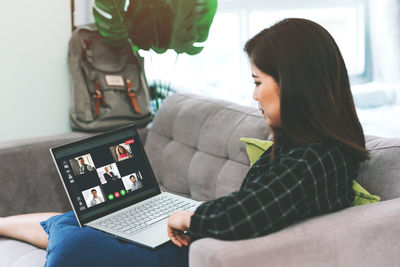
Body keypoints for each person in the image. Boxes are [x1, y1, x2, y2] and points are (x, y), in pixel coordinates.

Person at [0, 18, 369, 266]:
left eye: (258, 82)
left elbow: (247, 214)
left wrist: (188, 216)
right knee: (87, 219)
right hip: (200, 237)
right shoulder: (305, 149)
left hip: (198, 252)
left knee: (75, 244)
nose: (254, 95)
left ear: (294, 84)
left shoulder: (318, 160)